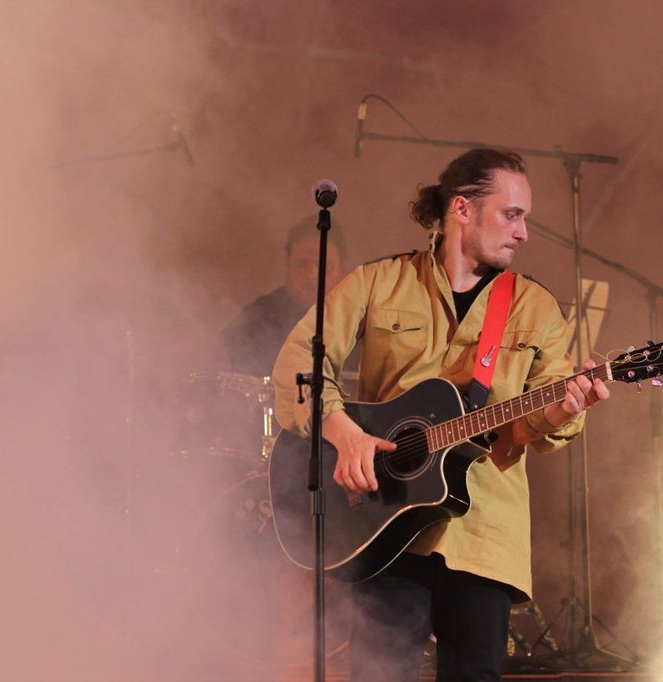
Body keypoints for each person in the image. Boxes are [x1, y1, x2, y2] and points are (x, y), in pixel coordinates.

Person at [272, 149, 610, 681]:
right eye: (511, 215)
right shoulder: (378, 281)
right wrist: (344, 432)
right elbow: (297, 363)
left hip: (484, 533)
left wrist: (563, 409)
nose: (523, 233)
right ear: (462, 208)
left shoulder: (536, 307)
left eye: (525, 218)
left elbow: (535, 430)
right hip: (383, 525)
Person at [220, 216, 345, 378]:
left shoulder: (360, 320)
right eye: (302, 264)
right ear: (288, 268)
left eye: (323, 264)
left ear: (342, 270)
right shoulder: (258, 317)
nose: (312, 274)